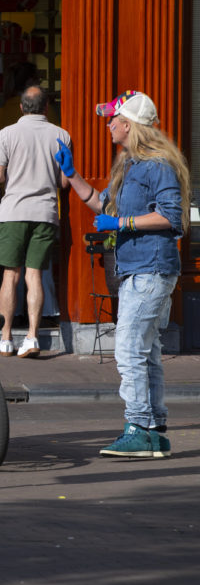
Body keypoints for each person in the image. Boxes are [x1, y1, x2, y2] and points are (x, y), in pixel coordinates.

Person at [56, 90, 190, 458]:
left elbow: (171, 216)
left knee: (130, 349)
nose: (108, 124)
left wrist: (122, 222)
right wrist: (72, 174)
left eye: (112, 119)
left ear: (128, 124)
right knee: (146, 352)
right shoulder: (130, 165)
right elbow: (101, 203)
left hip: (151, 267)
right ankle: (154, 431)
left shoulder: (157, 164)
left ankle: (138, 427)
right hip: (138, 268)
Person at [0, 85, 70, 358]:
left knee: (10, 275)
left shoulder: (7, 134)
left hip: (14, 212)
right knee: (34, 275)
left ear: (21, 107)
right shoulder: (61, 135)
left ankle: (6, 337)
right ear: (47, 108)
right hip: (46, 213)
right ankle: (33, 336)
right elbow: (64, 181)